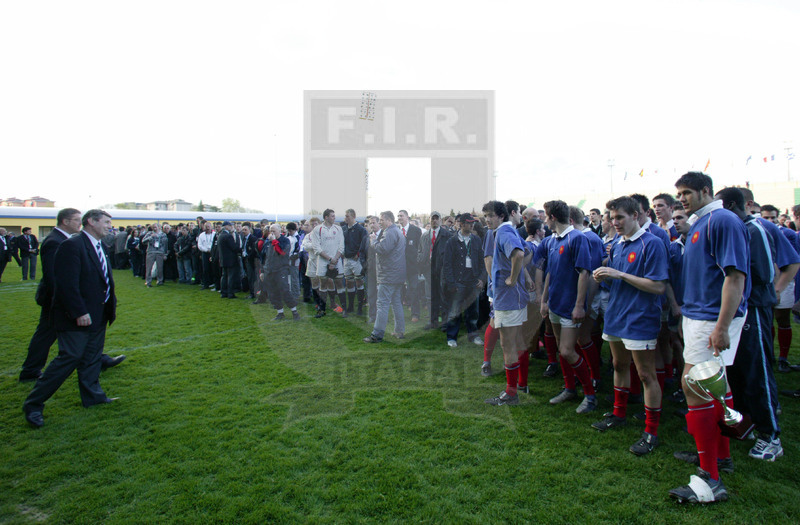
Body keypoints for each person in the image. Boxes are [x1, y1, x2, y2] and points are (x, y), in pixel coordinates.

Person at [668, 172, 749, 504]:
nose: (683, 199)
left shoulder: (723, 220)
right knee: (717, 387)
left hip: (710, 318)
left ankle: (710, 479)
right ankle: (720, 457)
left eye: (688, 192)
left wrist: (720, 327)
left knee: (694, 385)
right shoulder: (700, 222)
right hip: (698, 316)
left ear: (706, 191)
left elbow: (735, 277)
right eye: (680, 194)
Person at [22, 210, 120, 428]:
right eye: (106, 222)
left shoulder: (98, 245)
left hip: (98, 314)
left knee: (91, 358)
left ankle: (93, 396)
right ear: (91, 222)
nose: (109, 226)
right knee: (69, 358)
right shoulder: (72, 246)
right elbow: (65, 284)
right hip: (79, 316)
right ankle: (34, 404)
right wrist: (78, 312)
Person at [591, 197, 668, 456]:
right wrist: (604, 274)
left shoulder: (653, 243)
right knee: (618, 365)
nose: (615, 223)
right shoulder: (617, 245)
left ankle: (651, 432)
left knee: (646, 374)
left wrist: (619, 274)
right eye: (612, 218)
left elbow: (658, 286)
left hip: (640, 317)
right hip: (616, 314)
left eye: (620, 217)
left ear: (636, 215)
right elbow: (619, 281)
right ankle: (618, 413)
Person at [715, 187, 784, 461]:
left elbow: (766, 272)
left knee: (758, 370)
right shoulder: (737, 227)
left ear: (732, 205)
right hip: (739, 309)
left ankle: (771, 435)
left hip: (753, 307)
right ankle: (747, 425)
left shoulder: (755, 229)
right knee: (737, 370)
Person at [537, 200, 597, 414]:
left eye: (546, 216)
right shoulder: (552, 240)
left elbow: (584, 272)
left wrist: (579, 305)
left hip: (570, 307)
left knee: (567, 350)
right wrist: (544, 300)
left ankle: (590, 395)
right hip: (554, 304)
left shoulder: (577, 238)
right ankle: (570, 389)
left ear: (552, 217)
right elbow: (550, 273)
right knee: (564, 352)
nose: (544, 221)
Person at [483, 201, 530, 405]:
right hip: (511, 297)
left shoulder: (503, 232)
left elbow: (519, 254)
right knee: (515, 343)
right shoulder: (505, 231)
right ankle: (519, 385)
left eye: (490, 215)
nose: (487, 220)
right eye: (485, 216)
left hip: (508, 298)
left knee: (508, 345)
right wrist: (522, 277)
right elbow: (526, 251)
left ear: (501, 216)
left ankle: (511, 393)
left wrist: (512, 277)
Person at [443, 213, 486, 347]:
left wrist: (481, 279)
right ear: (461, 224)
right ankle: (452, 337)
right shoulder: (452, 241)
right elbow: (447, 264)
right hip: (458, 282)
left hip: (473, 282)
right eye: (468, 222)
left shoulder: (476, 240)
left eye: (472, 222)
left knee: (473, 312)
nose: (472, 224)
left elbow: (482, 261)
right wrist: (451, 282)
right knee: (454, 312)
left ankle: (473, 336)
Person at [364, 211, 406, 343]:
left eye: (381, 220)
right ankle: (399, 331)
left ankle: (377, 334)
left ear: (388, 220)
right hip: (396, 274)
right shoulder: (397, 231)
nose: (379, 222)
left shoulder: (390, 232)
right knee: (396, 303)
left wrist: (373, 240)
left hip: (388, 275)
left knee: (382, 304)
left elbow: (382, 249)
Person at [420, 211, 452, 329]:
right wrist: (421, 263)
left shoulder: (447, 235)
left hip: (442, 270)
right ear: (429, 220)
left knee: (443, 296)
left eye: (436, 218)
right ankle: (432, 321)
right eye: (432, 218)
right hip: (428, 270)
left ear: (440, 220)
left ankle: (445, 322)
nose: (434, 220)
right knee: (430, 297)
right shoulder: (424, 235)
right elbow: (420, 251)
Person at [314, 209, 347, 317]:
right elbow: (317, 248)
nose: (334, 218)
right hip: (324, 262)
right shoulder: (317, 229)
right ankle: (322, 310)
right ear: (326, 217)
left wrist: (334, 260)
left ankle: (344, 309)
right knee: (323, 284)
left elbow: (341, 246)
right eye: (332, 216)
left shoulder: (338, 229)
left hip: (336, 261)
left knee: (339, 283)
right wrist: (329, 259)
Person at [264, 224, 300, 320]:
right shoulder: (268, 242)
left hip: (281, 270)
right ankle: (280, 312)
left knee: (285, 290)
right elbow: (266, 257)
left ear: (280, 231)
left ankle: (294, 312)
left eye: (274, 231)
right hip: (270, 270)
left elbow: (282, 253)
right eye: (270, 231)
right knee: (272, 292)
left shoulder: (285, 240)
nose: (272, 233)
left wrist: (274, 241)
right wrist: (264, 271)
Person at [397, 209, 423, 322]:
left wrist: (419, 264)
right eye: (398, 216)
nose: (399, 218)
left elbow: (420, 248)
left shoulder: (416, 230)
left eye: (401, 215)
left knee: (414, 289)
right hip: (398, 267)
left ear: (407, 217)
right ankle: (399, 315)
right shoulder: (395, 231)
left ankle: (415, 314)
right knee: (398, 291)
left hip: (412, 267)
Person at [343, 209, 368, 315]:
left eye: (347, 216)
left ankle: (360, 307)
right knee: (349, 282)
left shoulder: (360, 229)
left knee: (359, 282)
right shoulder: (343, 229)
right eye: (345, 216)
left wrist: (358, 254)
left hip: (356, 260)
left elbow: (365, 243)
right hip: (346, 259)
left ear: (353, 216)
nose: (345, 218)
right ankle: (351, 306)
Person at [217, 221, 241, 299]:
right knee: (230, 277)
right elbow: (234, 247)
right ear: (227, 226)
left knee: (224, 276)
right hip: (230, 260)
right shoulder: (228, 236)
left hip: (223, 259)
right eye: (230, 225)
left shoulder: (220, 235)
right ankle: (230, 293)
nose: (232, 227)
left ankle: (224, 292)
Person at [142, 223, 168, 287]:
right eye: (153, 227)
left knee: (160, 268)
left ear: (159, 227)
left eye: (156, 227)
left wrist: (165, 254)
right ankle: (148, 282)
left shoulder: (163, 234)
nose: (154, 228)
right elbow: (143, 241)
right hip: (151, 251)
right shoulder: (149, 233)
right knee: (149, 268)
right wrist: (151, 237)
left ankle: (160, 281)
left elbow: (165, 245)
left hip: (160, 252)